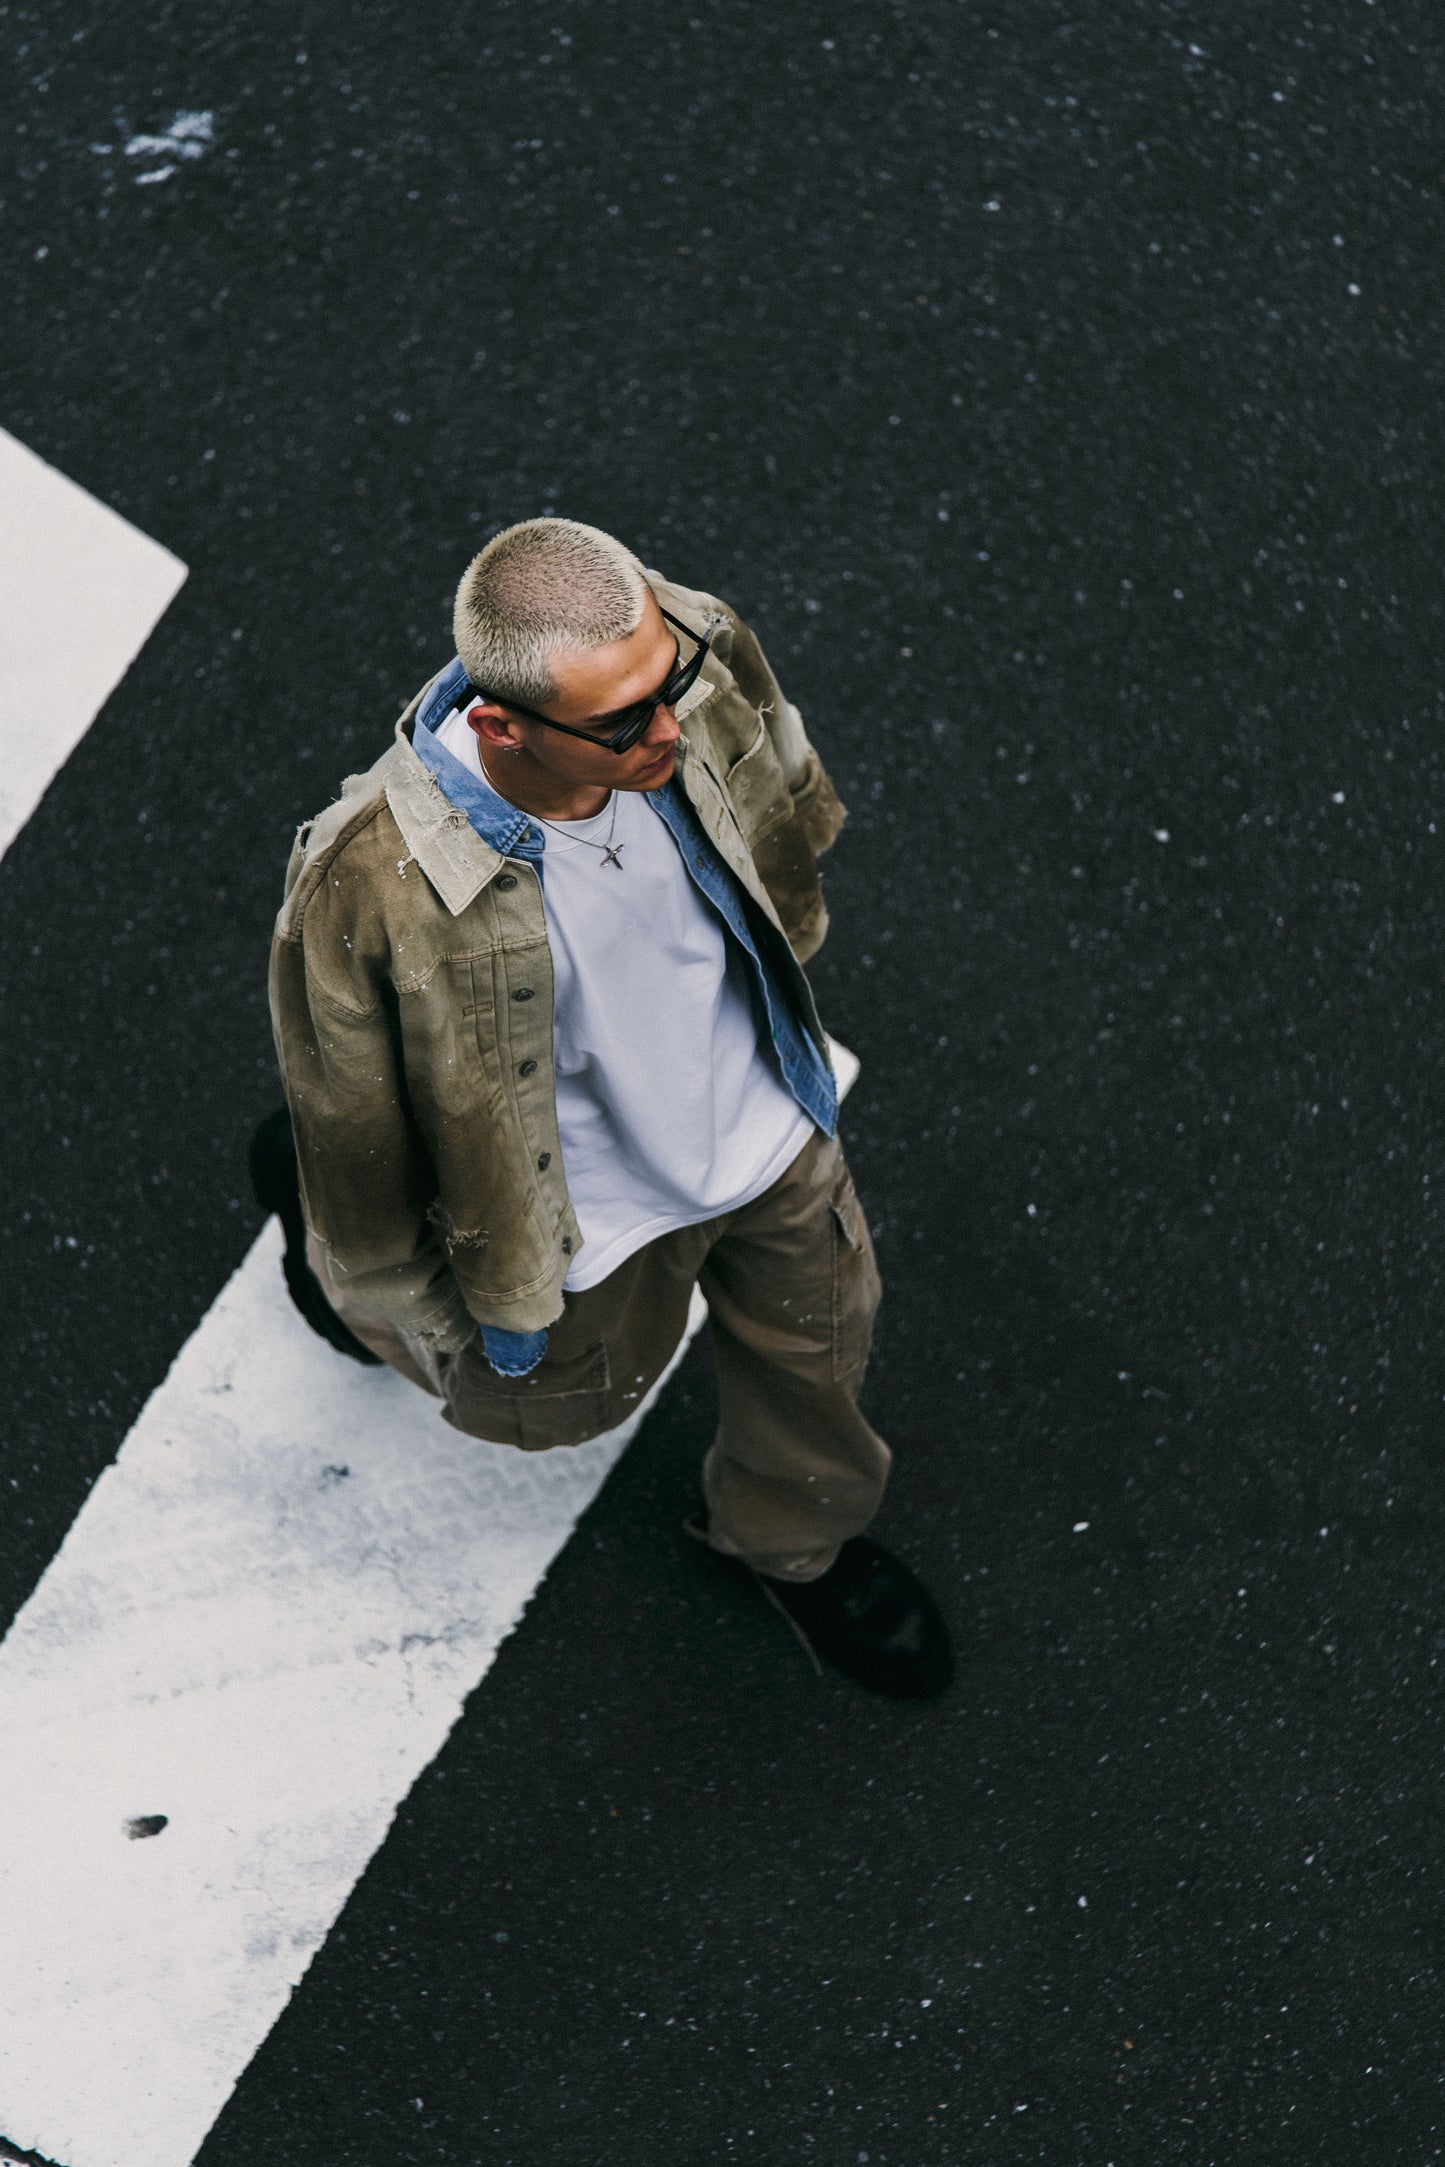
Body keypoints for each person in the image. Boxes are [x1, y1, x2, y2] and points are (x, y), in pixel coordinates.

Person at [251, 518, 951, 1698]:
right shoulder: (365, 883)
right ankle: (318, 1260)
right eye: (626, 725)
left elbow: (776, 786)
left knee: (822, 1348)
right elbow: (353, 1116)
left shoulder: (688, 652)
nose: (670, 729)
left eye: (666, 686)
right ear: (500, 725)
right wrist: (376, 1266)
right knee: (542, 1407)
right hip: (569, 1206)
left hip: (762, 1121)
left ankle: (789, 1541)